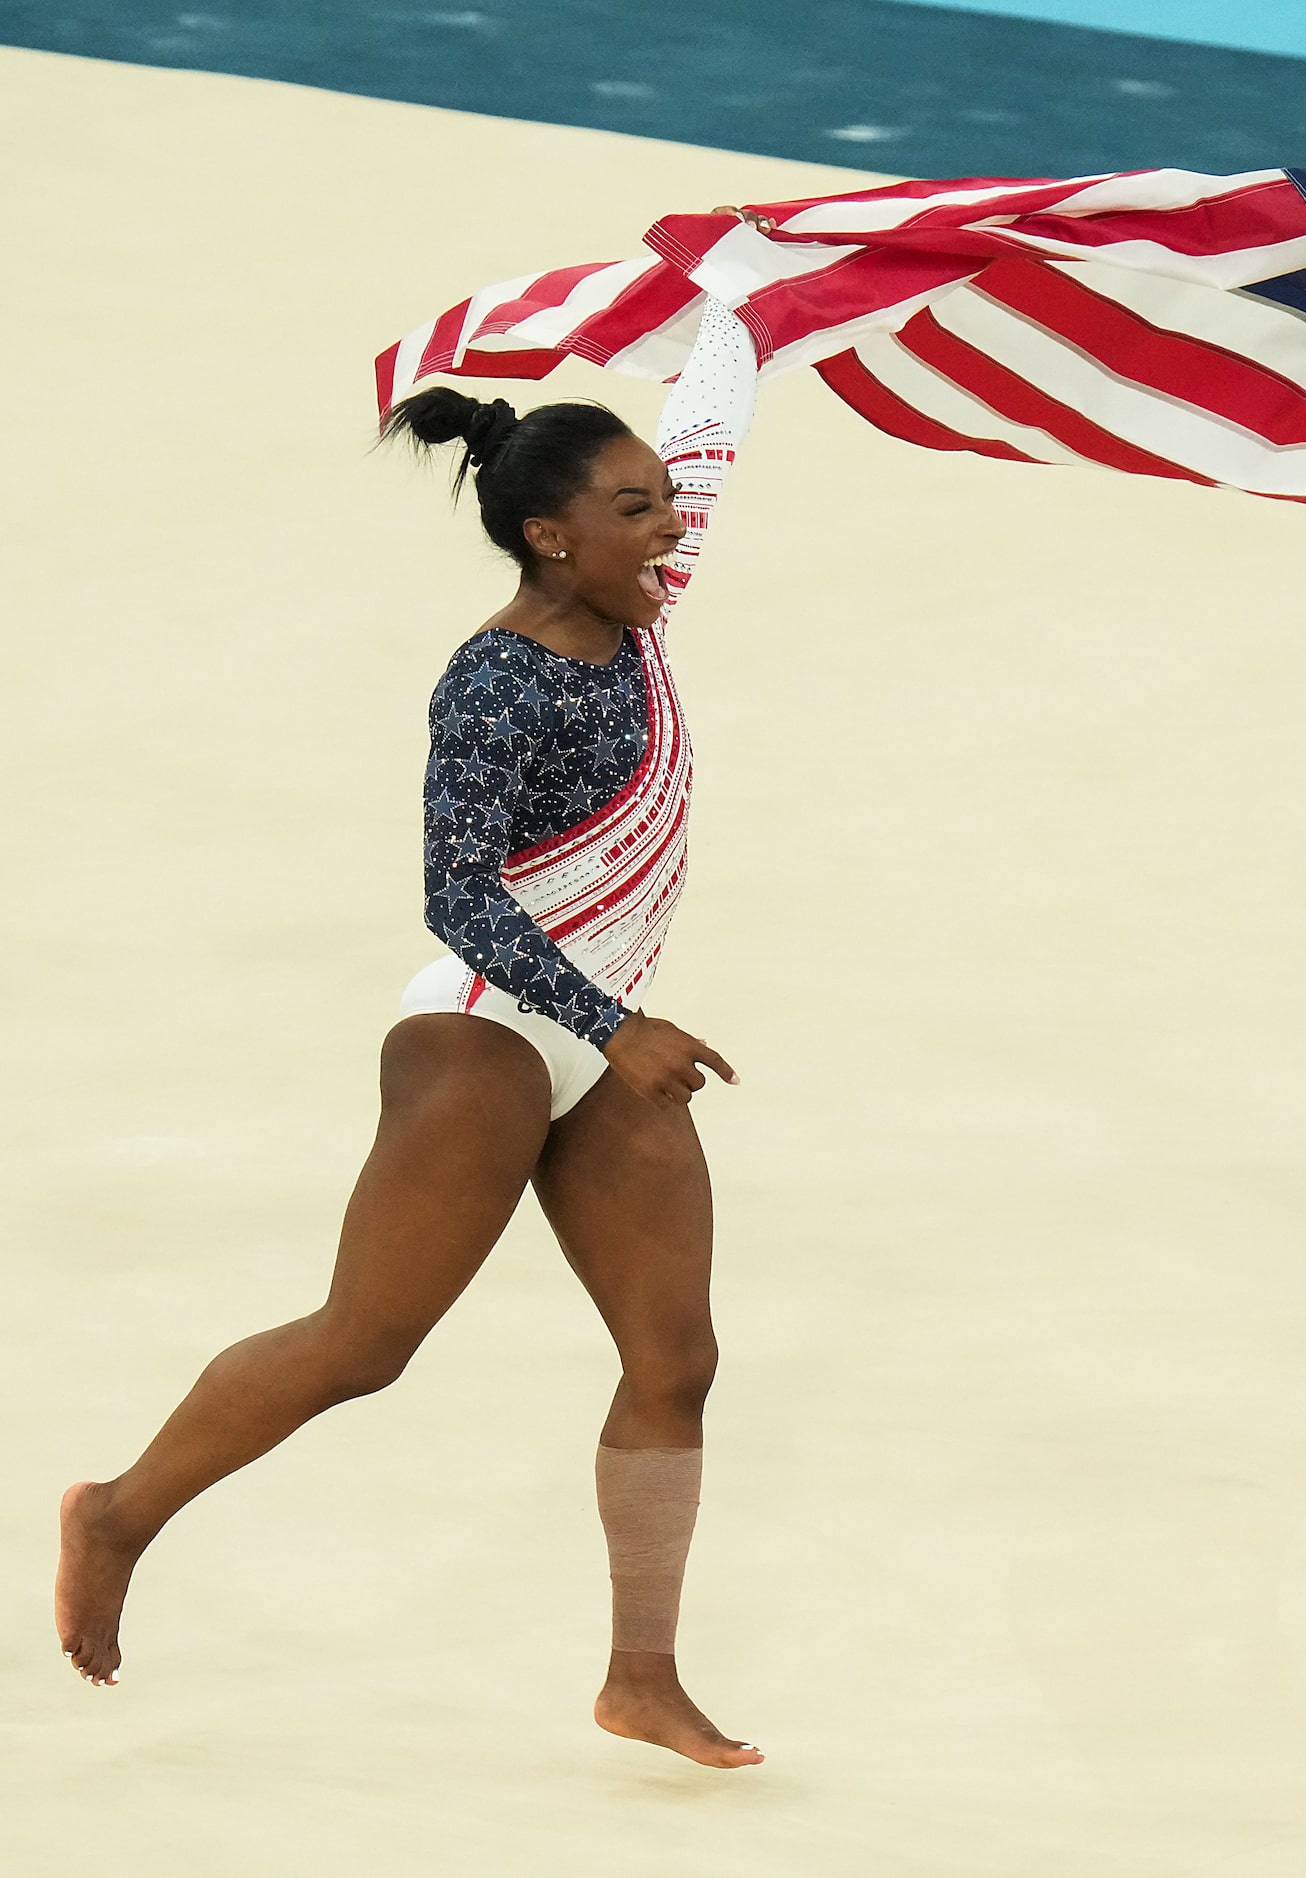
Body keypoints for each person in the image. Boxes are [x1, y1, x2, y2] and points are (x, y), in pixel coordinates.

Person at [56, 303, 770, 1762]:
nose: (672, 523)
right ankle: (118, 1512)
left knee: (675, 1356)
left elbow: (717, 416)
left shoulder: (642, 588)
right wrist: (608, 1020)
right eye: (636, 509)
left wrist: (754, 287)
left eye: (665, 498)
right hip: (488, 1027)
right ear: (555, 541)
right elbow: (457, 894)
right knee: (365, 1341)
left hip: (601, 1032)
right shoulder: (497, 679)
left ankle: (640, 1673)